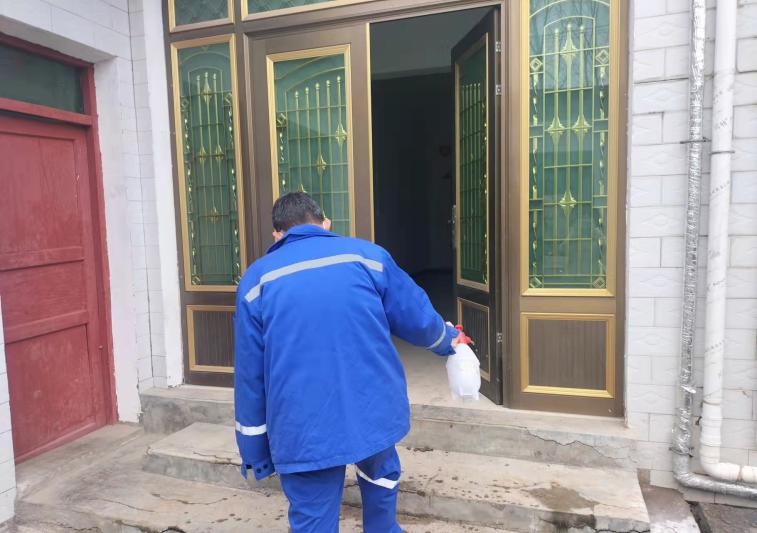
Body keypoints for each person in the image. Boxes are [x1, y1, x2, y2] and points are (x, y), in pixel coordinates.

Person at [234, 192, 460, 532]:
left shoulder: (256, 281)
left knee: (313, 516)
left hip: (303, 424)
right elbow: (415, 316)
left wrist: (254, 449)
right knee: (380, 478)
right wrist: (446, 340)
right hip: (373, 407)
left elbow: (249, 376)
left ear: (277, 234)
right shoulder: (368, 257)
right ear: (325, 224)